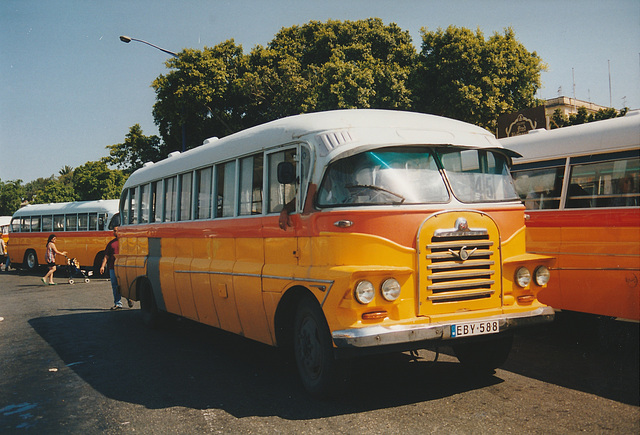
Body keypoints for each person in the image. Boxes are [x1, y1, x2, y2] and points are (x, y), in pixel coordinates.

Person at [99, 226, 133, 310]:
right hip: (112, 267)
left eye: (116, 231)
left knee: (125, 284)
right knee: (115, 285)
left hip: (123, 267)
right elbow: (106, 256)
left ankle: (129, 298)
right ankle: (118, 303)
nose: (114, 232)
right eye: (114, 231)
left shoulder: (127, 242)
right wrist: (102, 266)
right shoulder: (111, 244)